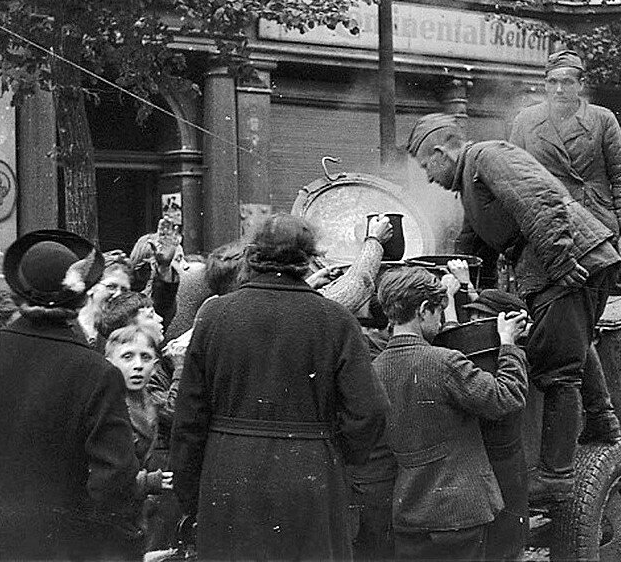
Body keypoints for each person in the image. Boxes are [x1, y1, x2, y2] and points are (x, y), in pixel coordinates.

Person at [406, 113, 621, 503]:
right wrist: (456, 287)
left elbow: (540, 200)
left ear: (440, 152)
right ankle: (603, 420)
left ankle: (557, 475)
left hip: (570, 260)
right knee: (568, 338)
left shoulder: (488, 157)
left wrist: (560, 261)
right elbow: (471, 247)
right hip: (565, 260)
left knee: (555, 367)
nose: (427, 177)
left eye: (426, 166)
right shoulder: (470, 183)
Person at [170, 214, 388, 560]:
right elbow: (370, 410)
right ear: (308, 258)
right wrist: (334, 453)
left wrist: (190, 495)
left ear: (253, 254)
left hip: (228, 474)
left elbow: (189, 420)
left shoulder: (214, 317)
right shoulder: (335, 320)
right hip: (311, 474)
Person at [0, 229, 140, 559]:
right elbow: (114, 481)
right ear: (82, 299)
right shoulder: (97, 373)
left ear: (17, 294)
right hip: (57, 546)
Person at [373, 267, 528, 561]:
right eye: (439, 313)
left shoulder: (375, 368)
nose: (442, 322)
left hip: (409, 515)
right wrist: (508, 345)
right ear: (422, 311)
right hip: (459, 514)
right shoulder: (443, 362)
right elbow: (505, 398)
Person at [509, 49, 621, 259]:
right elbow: (513, 179)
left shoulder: (602, 119)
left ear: (580, 85)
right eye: (552, 82)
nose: (559, 89)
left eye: (568, 82)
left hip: (596, 220)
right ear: (545, 84)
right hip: (546, 223)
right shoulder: (526, 120)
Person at [462, 289, 532, 562]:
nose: (473, 323)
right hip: (482, 470)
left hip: (504, 464)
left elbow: (507, 397)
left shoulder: (511, 352)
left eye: (481, 318)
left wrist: (509, 343)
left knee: (507, 543)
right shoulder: (487, 350)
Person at [105, 324, 174, 499]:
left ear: (155, 365)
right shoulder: (106, 406)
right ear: (108, 362)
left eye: (146, 357)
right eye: (127, 357)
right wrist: (146, 482)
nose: (138, 365)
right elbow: (103, 473)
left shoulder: (150, 400)